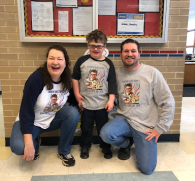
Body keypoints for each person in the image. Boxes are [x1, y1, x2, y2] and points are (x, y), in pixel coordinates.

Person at [100, 38, 175, 175]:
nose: (130, 54)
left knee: (147, 169)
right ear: (121, 54)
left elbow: (168, 102)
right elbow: (109, 96)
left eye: (133, 51)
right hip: (124, 121)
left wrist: (159, 128)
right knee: (106, 134)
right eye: (126, 51)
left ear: (139, 53)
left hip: (145, 126)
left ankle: (139, 142)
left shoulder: (152, 73)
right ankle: (127, 144)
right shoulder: (116, 74)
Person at [10, 45, 79, 167]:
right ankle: (35, 140)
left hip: (51, 119)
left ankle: (64, 151)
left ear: (65, 63)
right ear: (46, 61)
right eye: (51, 58)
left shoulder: (67, 79)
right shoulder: (36, 78)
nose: (55, 62)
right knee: (19, 147)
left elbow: (73, 98)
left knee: (72, 113)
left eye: (60, 59)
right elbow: (25, 111)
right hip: (31, 122)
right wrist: (29, 143)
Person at [72, 29, 117, 159]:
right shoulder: (82, 61)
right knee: (86, 128)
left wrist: (111, 100)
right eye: (92, 46)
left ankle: (106, 147)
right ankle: (85, 147)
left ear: (104, 46)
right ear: (88, 46)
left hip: (102, 104)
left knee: (103, 128)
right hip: (86, 103)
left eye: (99, 46)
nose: (96, 49)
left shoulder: (108, 64)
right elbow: (74, 78)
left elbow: (112, 83)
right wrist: (77, 95)